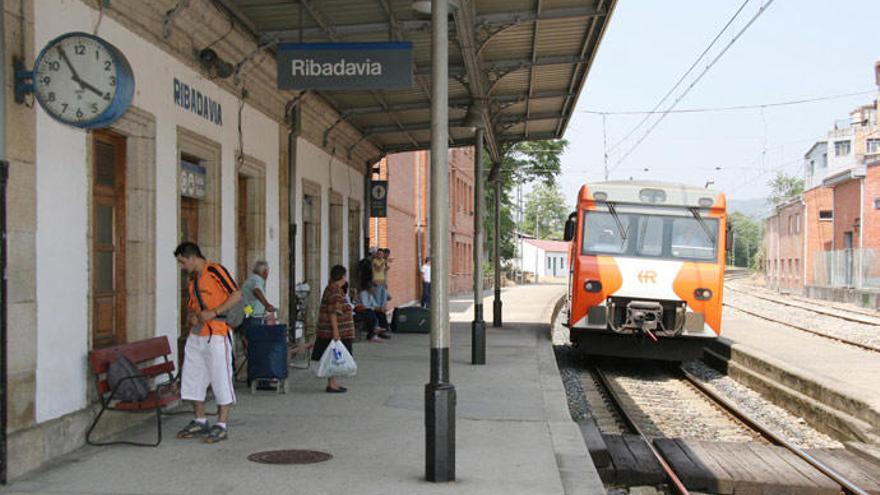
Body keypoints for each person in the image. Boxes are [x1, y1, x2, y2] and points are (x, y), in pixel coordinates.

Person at [174, 242, 241, 443]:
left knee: (221, 377)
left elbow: (237, 295)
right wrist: (193, 316)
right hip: (197, 335)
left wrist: (214, 312)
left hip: (217, 334)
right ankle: (200, 419)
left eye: (182, 262)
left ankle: (221, 424)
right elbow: (192, 306)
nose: (182, 266)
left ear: (192, 258)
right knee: (193, 377)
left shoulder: (215, 271)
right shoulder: (192, 279)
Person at [312, 265, 355, 393]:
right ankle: (331, 383)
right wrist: (336, 331)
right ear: (342, 276)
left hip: (329, 331)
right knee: (334, 357)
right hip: (334, 332)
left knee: (333, 357)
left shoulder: (331, 288)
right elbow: (333, 312)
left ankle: (333, 382)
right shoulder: (335, 290)